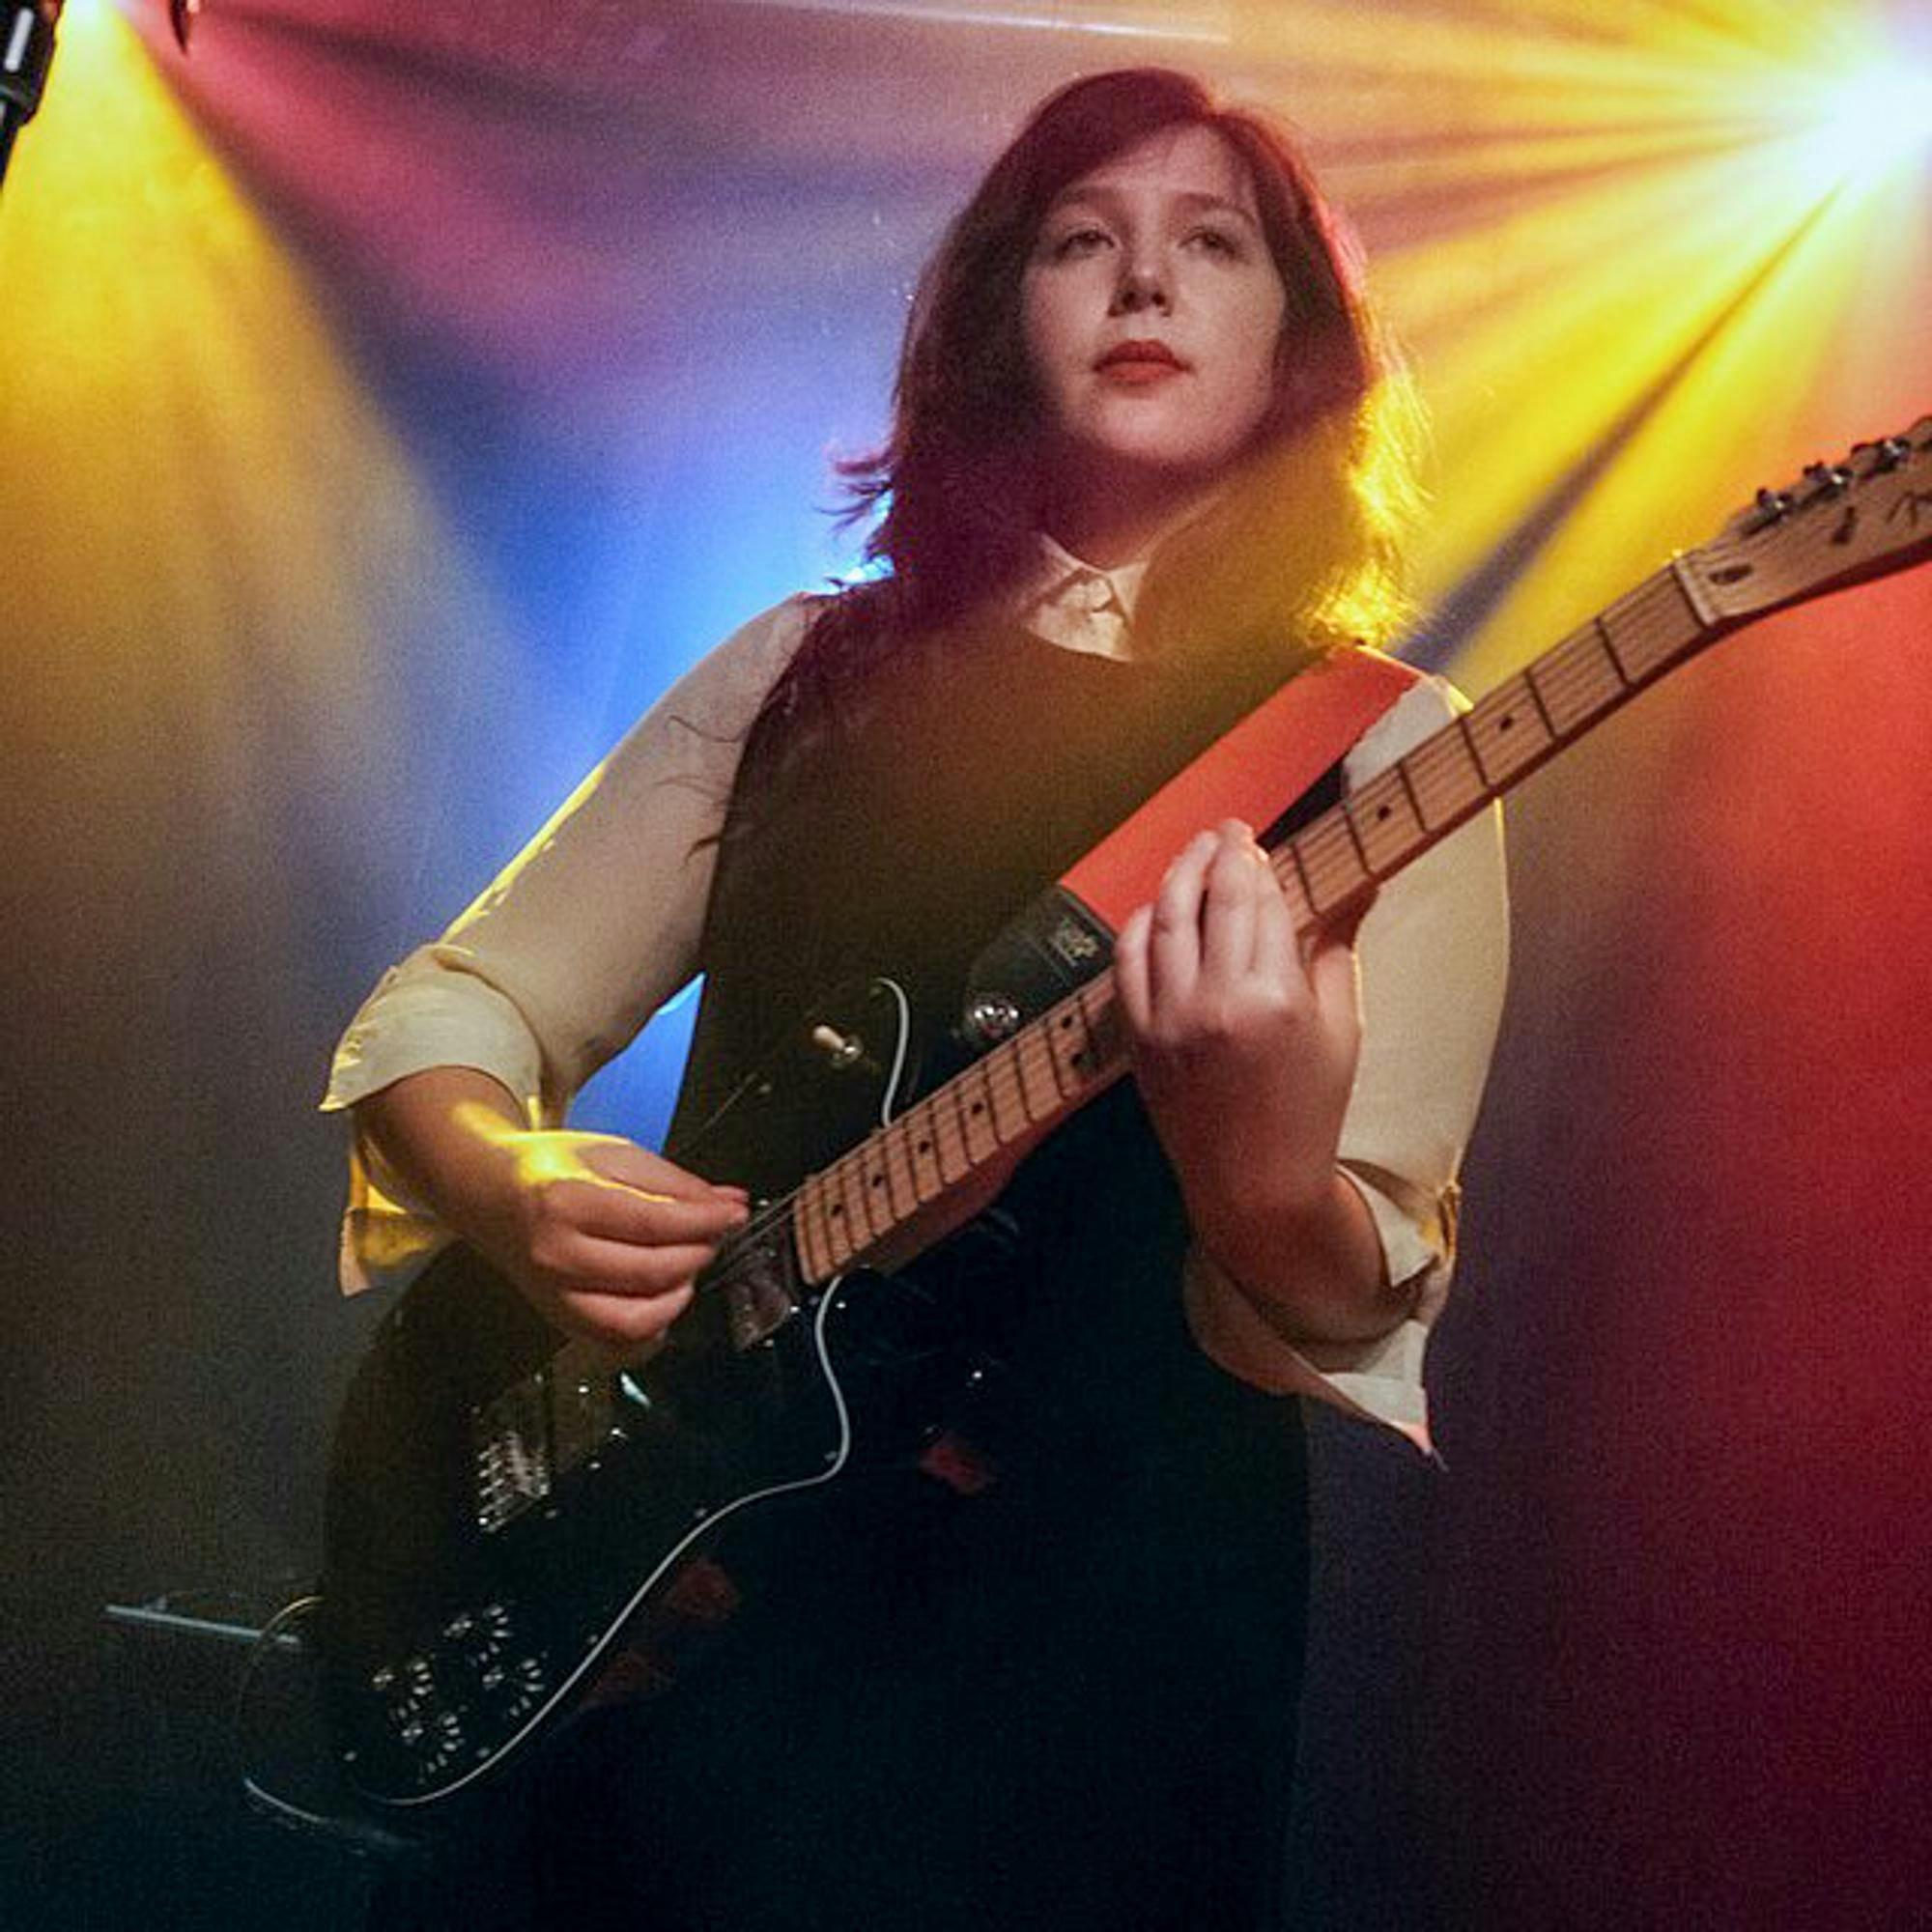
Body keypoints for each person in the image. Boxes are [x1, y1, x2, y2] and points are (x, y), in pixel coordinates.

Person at [325, 67, 1508, 1931]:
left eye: (1212, 247)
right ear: (993, 314)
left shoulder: (1383, 748)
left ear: (1296, 340)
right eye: (1080, 242)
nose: (1143, 285)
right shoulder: (804, 668)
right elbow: (460, 1004)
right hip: (676, 1602)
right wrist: (507, 1183)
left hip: (1087, 1659)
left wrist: (1254, 1176)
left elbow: (1357, 1272)